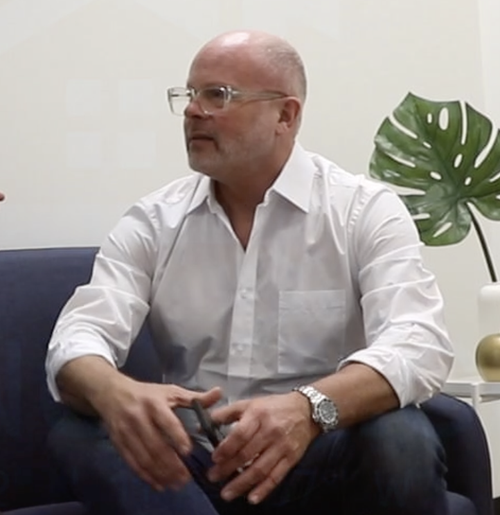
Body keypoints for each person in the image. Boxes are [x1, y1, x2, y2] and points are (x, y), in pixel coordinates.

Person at [45, 30, 454, 515]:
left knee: (401, 435)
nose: (193, 110)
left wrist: (306, 407)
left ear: (286, 115)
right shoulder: (154, 221)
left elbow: (418, 343)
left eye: (218, 95)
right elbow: (79, 334)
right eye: (189, 94)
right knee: (81, 430)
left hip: (317, 453)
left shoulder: (361, 211)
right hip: (191, 469)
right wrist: (117, 393)